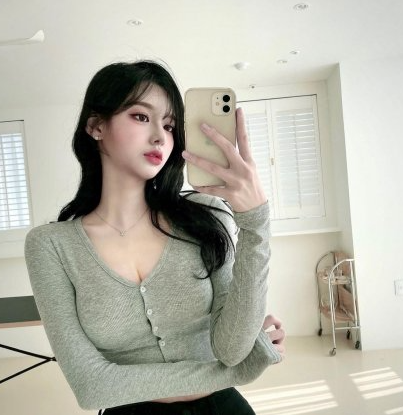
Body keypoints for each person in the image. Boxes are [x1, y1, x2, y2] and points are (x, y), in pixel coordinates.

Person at [24, 60, 285, 415]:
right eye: (141, 116)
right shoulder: (51, 246)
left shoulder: (208, 215)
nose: (160, 137)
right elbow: (91, 386)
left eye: (169, 125)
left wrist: (256, 222)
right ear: (96, 126)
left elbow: (232, 350)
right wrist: (239, 370)